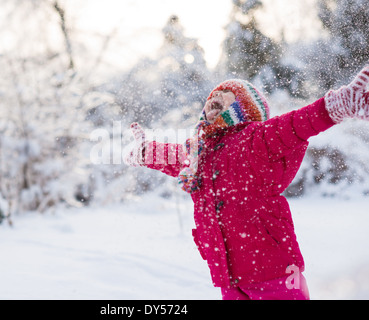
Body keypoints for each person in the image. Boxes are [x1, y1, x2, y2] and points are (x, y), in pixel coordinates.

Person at [124, 66, 369, 300]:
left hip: (272, 272)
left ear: (245, 107)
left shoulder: (257, 139)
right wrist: (144, 151)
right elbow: (173, 155)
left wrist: (338, 105)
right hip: (228, 276)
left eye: (226, 94)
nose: (216, 95)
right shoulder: (201, 153)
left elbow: (297, 123)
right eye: (213, 94)